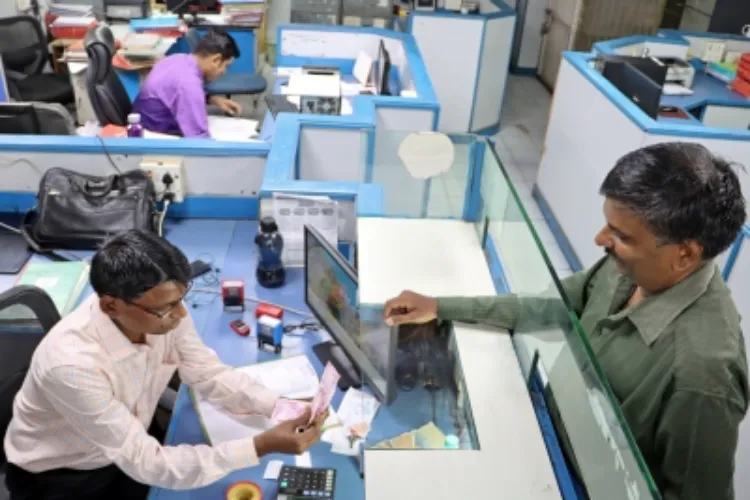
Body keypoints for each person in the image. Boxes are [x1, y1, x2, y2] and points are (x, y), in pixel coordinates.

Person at [383, 142, 749, 500]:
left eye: (621, 236)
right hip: (546, 438)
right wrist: (440, 306)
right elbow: (546, 307)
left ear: (684, 254)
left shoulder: (703, 374)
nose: (600, 239)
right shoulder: (630, 268)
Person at [4, 229, 326, 499]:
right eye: (168, 307)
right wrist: (260, 445)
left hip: (124, 441)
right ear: (110, 305)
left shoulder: (160, 312)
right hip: (66, 474)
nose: (182, 316)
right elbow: (148, 462)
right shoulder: (73, 367)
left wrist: (277, 407)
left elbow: (206, 372)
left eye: (180, 300)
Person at [131, 28, 244, 138]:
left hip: (145, 125)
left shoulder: (178, 59)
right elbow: (199, 141)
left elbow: (173, 94)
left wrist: (213, 99)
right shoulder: (189, 84)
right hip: (158, 138)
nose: (224, 72)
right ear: (216, 60)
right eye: (226, 66)